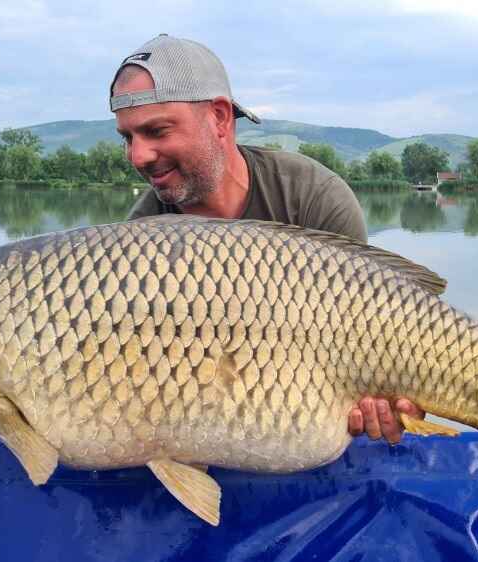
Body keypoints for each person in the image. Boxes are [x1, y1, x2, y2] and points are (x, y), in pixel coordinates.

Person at [110, 34, 424, 445]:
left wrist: (395, 402)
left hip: (309, 435)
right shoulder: (139, 239)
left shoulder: (312, 198)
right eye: (128, 138)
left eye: (157, 131)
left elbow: (379, 336)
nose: (139, 156)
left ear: (220, 117)